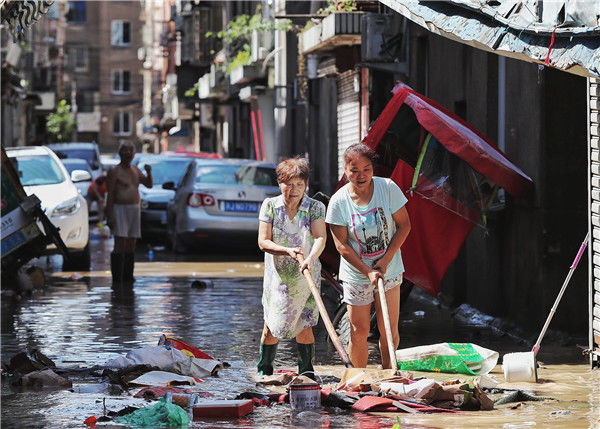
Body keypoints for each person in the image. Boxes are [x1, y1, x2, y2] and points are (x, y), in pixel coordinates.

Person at [326, 143, 411, 369]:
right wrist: (368, 271)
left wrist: (384, 261)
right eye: (354, 171)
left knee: (388, 329)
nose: (361, 176)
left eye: (366, 169)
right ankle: (358, 380)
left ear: (373, 168)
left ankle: (389, 374)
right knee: (359, 330)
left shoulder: (388, 188)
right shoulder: (338, 202)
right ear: (345, 171)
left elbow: (404, 226)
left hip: (389, 269)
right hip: (356, 274)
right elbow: (341, 245)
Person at [257, 157, 326, 379]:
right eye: (289, 184)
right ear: (280, 184)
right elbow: (263, 242)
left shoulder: (315, 207)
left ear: (306, 185)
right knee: (271, 326)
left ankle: (306, 373)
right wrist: (287, 251)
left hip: (306, 276)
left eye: (299, 184)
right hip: (278, 278)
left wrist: (310, 258)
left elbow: (320, 237)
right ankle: (265, 371)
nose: (294, 190)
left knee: (305, 324)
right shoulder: (270, 206)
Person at [106, 142, 152, 283]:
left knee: (131, 242)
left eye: (130, 150)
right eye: (125, 150)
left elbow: (149, 184)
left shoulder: (135, 170)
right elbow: (110, 195)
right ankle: (117, 278)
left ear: (134, 154)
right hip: (120, 209)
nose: (128, 153)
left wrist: (149, 172)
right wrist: (110, 216)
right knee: (120, 242)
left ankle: (128, 277)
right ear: (120, 153)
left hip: (134, 209)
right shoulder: (114, 171)